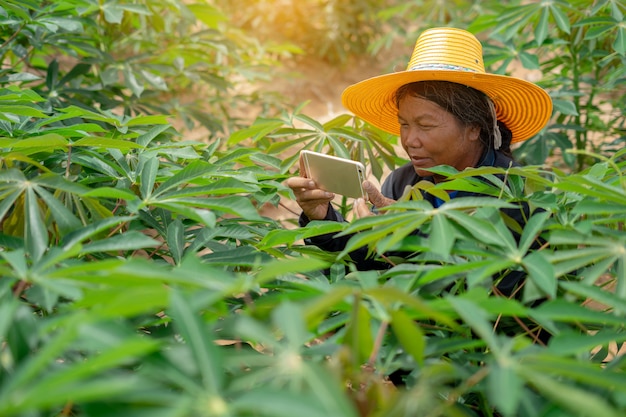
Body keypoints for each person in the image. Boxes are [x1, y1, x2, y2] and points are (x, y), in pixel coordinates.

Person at [286, 27, 552, 296]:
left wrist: (406, 237)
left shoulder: (517, 193)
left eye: (425, 125)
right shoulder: (403, 183)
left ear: (474, 128)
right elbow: (366, 266)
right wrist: (321, 218)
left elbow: (493, 294)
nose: (410, 140)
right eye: (404, 124)